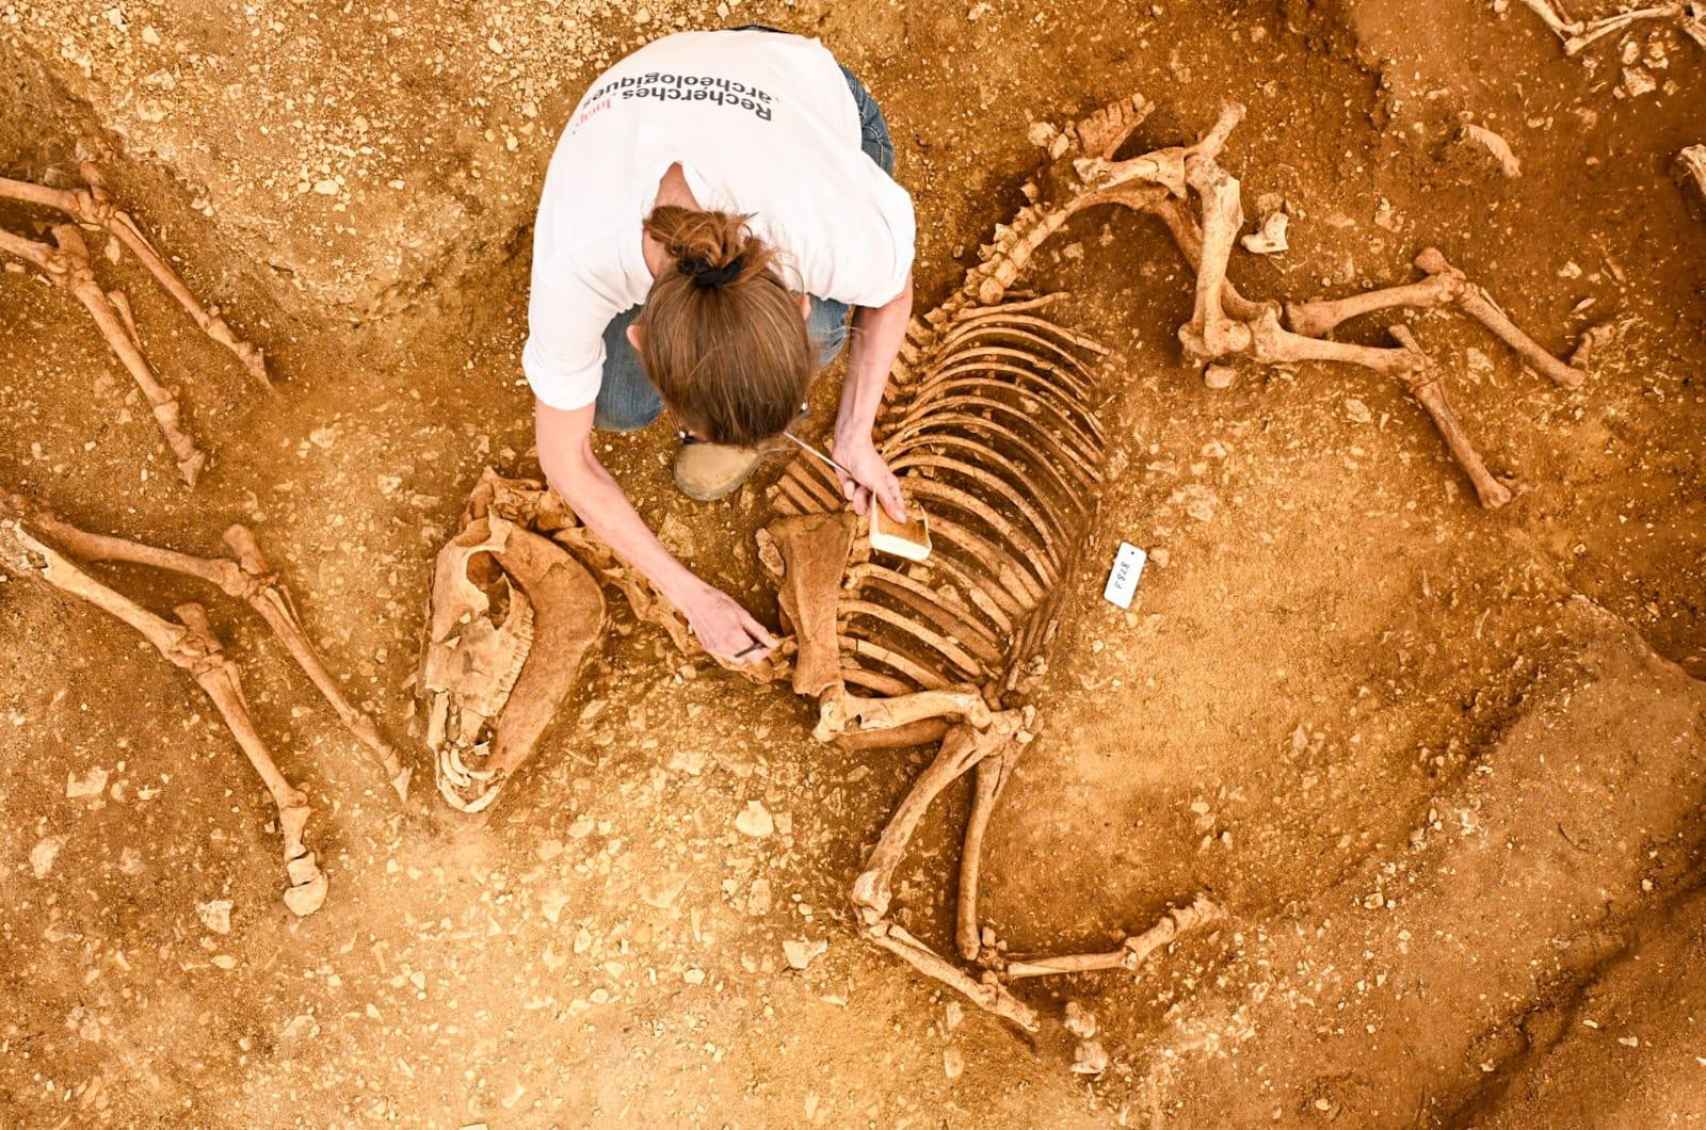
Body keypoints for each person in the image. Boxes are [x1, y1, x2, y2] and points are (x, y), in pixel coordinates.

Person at [524, 27, 915, 666]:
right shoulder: (579, 256)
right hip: (636, 111)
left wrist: (855, 434)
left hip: (798, 91)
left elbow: (892, 293)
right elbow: (564, 458)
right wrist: (690, 595)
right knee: (617, 405)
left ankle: (746, 407)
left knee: (823, 336)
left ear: (795, 301)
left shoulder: (830, 228)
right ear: (641, 336)